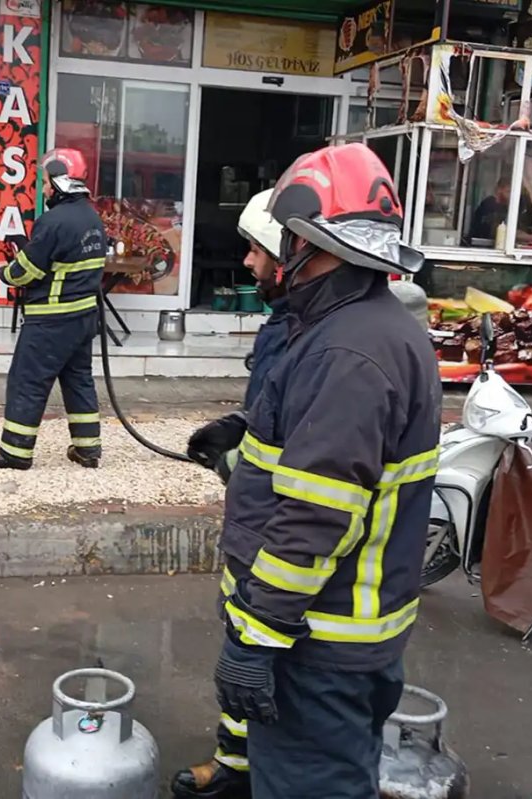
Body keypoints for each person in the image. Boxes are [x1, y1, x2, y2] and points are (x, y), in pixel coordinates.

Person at [207, 143, 442, 799]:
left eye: (284, 233)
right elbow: (318, 462)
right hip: (337, 638)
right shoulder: (365, 327)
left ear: (310, 236)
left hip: (317, 643)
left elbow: (316, 513)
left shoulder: (347, 350)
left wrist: (256, 637)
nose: (273, 249)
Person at [171, 189, 288, 799]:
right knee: (243, 664)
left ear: (292, 252)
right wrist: (237, 427)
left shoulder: (332, 346)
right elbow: (275, 410)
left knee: (265, 667)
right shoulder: (286, 326)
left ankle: (261, 773)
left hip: (282, 553)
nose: (246, 262)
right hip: (254, 536)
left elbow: (316, 476)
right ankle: (236, 766)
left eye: (256, 249)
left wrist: (242, 459)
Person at [0, 148, 106, 471]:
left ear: (61, 181)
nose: (45, 189)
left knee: (27, 380)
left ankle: (15, 451)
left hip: (51, 320)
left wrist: (3, 272)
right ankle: (88, 449)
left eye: (47, 182)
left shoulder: (53, 221)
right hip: (83, 319)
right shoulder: (93, 218)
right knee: (78, 380)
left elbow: (27, 271)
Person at [470, 177, 532, 245]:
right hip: (482, 249)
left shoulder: (506, 207)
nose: (511, 196)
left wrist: (527, 196)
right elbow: (501, 231)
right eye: (508, 192)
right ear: (499, 190)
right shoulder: (490, 204)